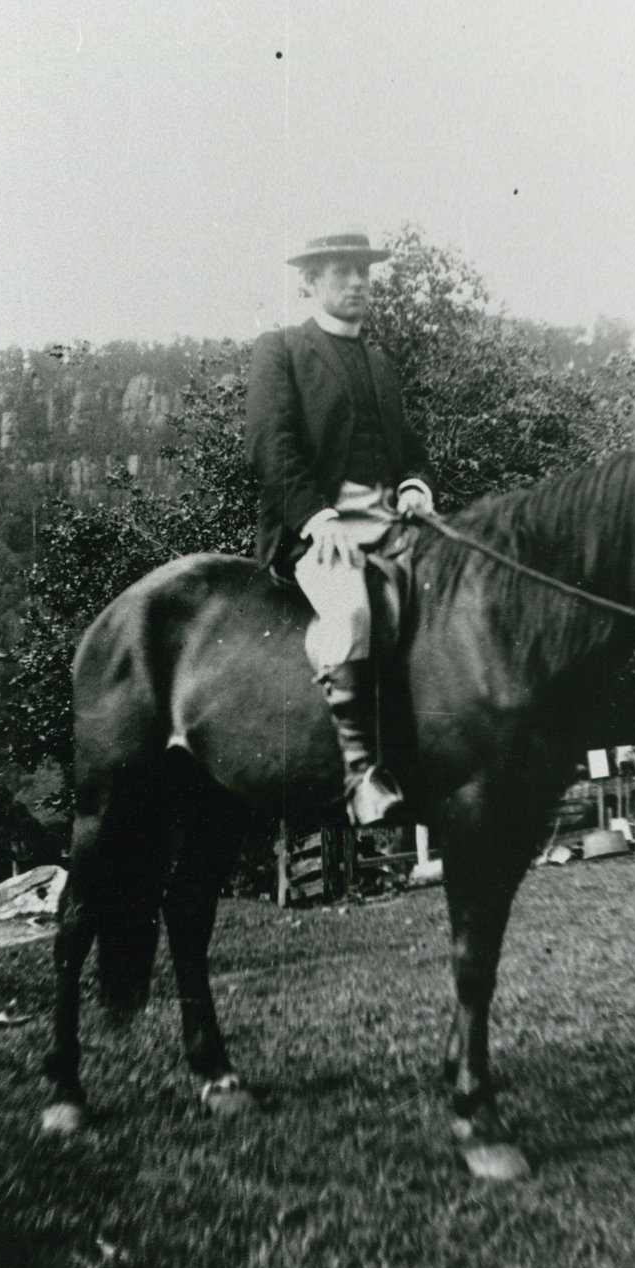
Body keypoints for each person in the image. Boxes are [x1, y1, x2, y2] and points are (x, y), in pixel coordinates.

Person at [246, 231, 435, 825]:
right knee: (351, 608)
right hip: (317, 527)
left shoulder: (380, 364)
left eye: (363, 272)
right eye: (341, 272)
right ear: (310, 282)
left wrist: (414, 484)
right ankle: (361, 776)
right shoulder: (280, 350)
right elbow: (270, 447)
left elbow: (409, 449)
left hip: (390, 521)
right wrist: (315, 513)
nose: (356, 282)